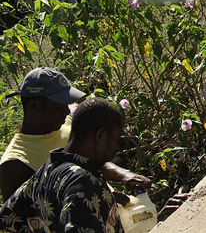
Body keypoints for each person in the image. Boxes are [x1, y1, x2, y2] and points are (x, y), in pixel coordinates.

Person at [0, 68, 149, 202]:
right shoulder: (15, 164)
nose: (66, 111)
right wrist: (100, 201)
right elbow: (26, 219)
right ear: (34, 106)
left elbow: (88, 158)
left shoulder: (64, 124)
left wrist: (123, 174)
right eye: (58, 106)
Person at [0, 98, 126, 232]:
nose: (116, 147)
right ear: (100, 135)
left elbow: (8, 220)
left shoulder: (48, 169)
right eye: (116, 139)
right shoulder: (83, 181)